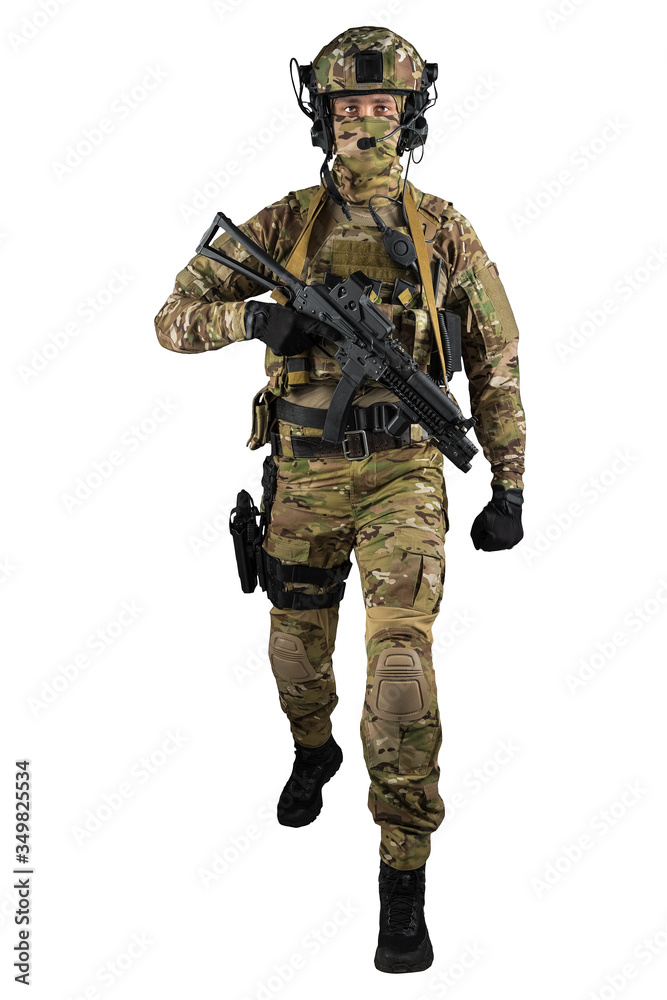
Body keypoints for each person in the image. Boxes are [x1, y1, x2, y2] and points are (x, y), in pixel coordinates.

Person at [155, 25, 526, 975]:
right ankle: (312, 748)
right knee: (294, 648)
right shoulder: (282, 226)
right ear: (322, 116)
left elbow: (495, 360)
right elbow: (171, 320)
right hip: (302, 476)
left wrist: (509, 483)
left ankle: (403, 874)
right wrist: (253, 318)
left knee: (398, 667)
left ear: (410, 116)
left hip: (404, 475)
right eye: (349, 106)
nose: (365, 122)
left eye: (381, 106)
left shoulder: (443, 231)